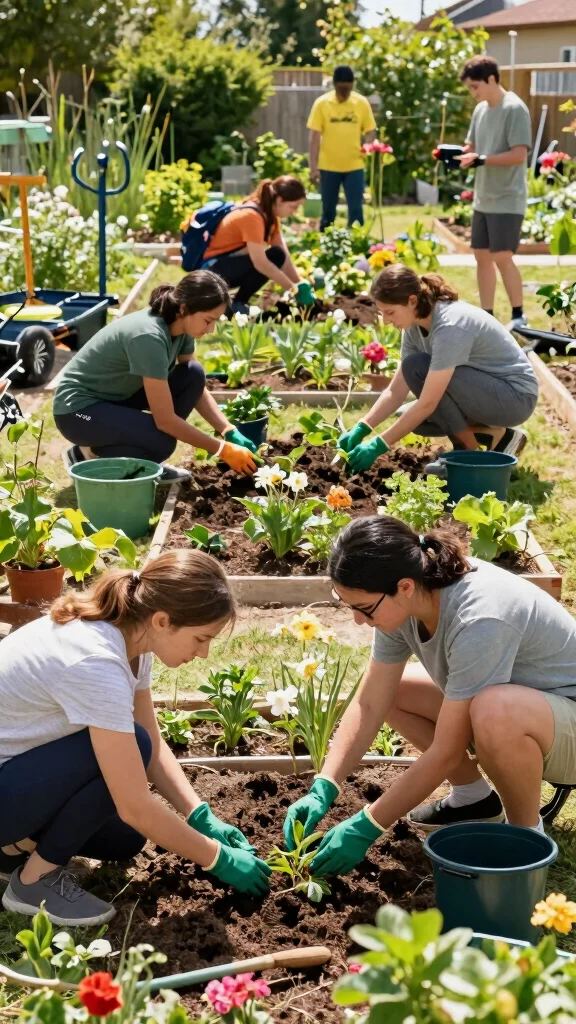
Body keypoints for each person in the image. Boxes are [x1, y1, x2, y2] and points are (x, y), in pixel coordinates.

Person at [282, 515, 576, 875]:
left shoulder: (479, 617)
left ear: (403, 586)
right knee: (397, 690)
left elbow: (446, 749)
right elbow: (371, 701)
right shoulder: (406, 601)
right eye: (349, 606)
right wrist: (325, 785)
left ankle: (526, 842)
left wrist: (367, 825)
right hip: (530, 711)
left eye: (363, 608)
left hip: (563, 721)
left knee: (495, 710)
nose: (359, 620)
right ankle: (474, 801)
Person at [0, 551, 271, 925]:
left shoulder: (131, 641)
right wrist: (216, 858)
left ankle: (12, 849)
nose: (203, 653)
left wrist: (199, 815)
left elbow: (154, 746)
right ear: (162, 620)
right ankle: (33, 882)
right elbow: (134, 803)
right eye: (201, 638)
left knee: (124, 840)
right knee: (131, 762)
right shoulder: (95, 661)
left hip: (15, 775)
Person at [54, 271, 257, 484]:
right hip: (76, 411)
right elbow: (165, 420)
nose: (211, 329)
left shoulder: (182, 328)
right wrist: (222, 450)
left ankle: (140, 458)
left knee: (193, 374)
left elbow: (194, 387)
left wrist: (227, 429)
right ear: (184, 308)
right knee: (162, 441)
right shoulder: (149, 336)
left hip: (114, 397)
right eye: (208, 320)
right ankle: (89, 456)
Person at [338, 265, 538, 474]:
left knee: (418, 370)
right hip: (486, 392)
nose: (386, 320)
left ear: (412, 300)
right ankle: (499, 437)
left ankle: (470, 453)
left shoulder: (450, 326)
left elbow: (428, 403)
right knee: (412, 417)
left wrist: (378, 445)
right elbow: (394, 391)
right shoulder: (414, 326)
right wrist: (362, 427)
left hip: (515, 397)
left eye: (390, 312)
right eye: (382, 313)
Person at [458, 55, 532, 331]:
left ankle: (518, 314)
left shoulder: (515, 109)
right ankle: (486, 315)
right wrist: (458, 154)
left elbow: (519, 154)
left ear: (492, 79)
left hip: (507, 197)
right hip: (483, 197)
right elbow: (471, 146)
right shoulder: (480, 110)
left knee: (502, 255)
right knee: (481, 255)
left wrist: (482, 159)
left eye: (475, 86)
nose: (473, 93)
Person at [202, 176, 314, 316]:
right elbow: (260, 263)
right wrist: (293, 289)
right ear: (279, 200)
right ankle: (236, 305)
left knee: (277, 255)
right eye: (293, 206)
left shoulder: (269, 216)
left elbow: (282, 255)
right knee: (272, 258)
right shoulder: (252, 216)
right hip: (212, 273)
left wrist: (299, 283)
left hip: (228, 267)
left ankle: (237, 304)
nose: (294, 212)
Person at [307, 64, 376, 231]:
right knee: (328, 211)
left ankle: (356, 243)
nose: (344, 93)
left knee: (356, 209)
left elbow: (370, 131)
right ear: (334, 84)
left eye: (348, 88)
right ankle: (326, 245)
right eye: (341, 88)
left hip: (354, 165)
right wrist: (313, 167)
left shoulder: (361, 103)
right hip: (328, 166)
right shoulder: (322, 104)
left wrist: (368, 148)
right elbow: (314, 138)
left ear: (353, 85)